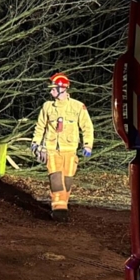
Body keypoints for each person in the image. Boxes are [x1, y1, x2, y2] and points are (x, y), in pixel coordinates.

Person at [30, 72, 94, 221]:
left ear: (62, 88)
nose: (51, 92)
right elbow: (40, 127)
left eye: (53, 89)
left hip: (70, 150)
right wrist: (35, 143)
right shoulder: (47, 107)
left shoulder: (78, 107)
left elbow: (87, 127)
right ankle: (59, 210)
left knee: (67, 180)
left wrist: (88, 145)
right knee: (56, 179)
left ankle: (62, 206)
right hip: (52, 150)